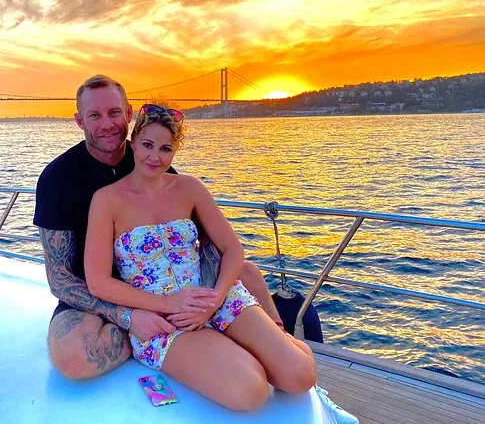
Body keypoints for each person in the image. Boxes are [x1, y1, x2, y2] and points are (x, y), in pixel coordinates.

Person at [33, 74, 284, 381]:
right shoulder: (57, 179)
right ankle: (158, 337)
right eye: (94, 115)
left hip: (164, 285)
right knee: (76, 359)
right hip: (98, 297)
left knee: (248, 273)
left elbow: (204, 241)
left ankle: (276, 345)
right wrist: (128, 317)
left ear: (128, 114)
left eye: (114, 112)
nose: (107, 124)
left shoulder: (150, 159)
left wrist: (205, 299)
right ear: (79, 121)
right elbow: (60, 279)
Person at [83, 103, 317, 410]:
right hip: (163, 318)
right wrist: (169, 304)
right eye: (148, 145)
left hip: (213, 296)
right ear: (134, 142)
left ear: (175, 151)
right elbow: (98, 282)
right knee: (250, 391)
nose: (155, 157)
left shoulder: (189, 188)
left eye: (166, 149)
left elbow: (233, 249)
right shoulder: (106, 200)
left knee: (300, 376)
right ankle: (243, 351)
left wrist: (214, 300)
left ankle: (266, 345)